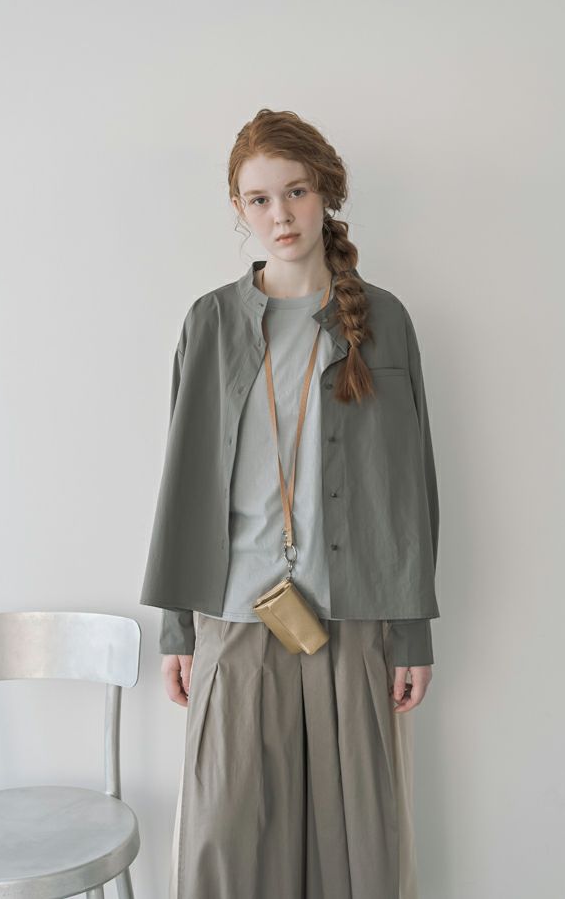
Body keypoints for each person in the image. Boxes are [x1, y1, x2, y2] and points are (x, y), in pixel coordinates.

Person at [140, 108, 440, 899]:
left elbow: (411, 486)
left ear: (325, 192)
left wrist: (412, 631)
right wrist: (177, 625)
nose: (281, 214)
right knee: (227, 848)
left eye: (297, 191)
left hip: (353, 616)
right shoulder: (210, 322)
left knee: (356, 855)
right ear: (239, 209)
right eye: (260, 199)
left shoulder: (384, 321)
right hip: (235, 616)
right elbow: (183, 479)